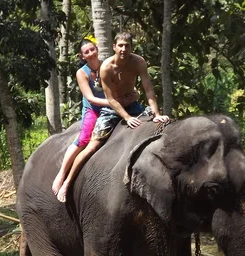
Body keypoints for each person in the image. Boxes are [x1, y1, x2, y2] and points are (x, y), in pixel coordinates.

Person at [56, 32, 169, 202]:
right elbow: (110, 99)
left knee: (159, 125)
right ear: (114, 47)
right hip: (111, 109)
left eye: (127, 45)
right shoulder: (106, 67)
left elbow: (148, 89)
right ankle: (67, 182)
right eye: (120, 45)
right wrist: (126, 117)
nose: (124, 49)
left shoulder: (139, 62)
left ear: (131, 47)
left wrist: (157, 113)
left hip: (133, 105)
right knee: (91, 147)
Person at [52, 37, 137, 196]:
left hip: (113, 105)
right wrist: (113, 102)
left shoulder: (108, 65)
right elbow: (90, 98)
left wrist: (133, 95)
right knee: (84, 139)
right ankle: (62, 174)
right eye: (86, 52)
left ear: (97, 49)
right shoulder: (81, 73)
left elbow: (125, 85)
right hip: (94, 108)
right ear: (82, 56)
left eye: (92, 49)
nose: (91, 53)